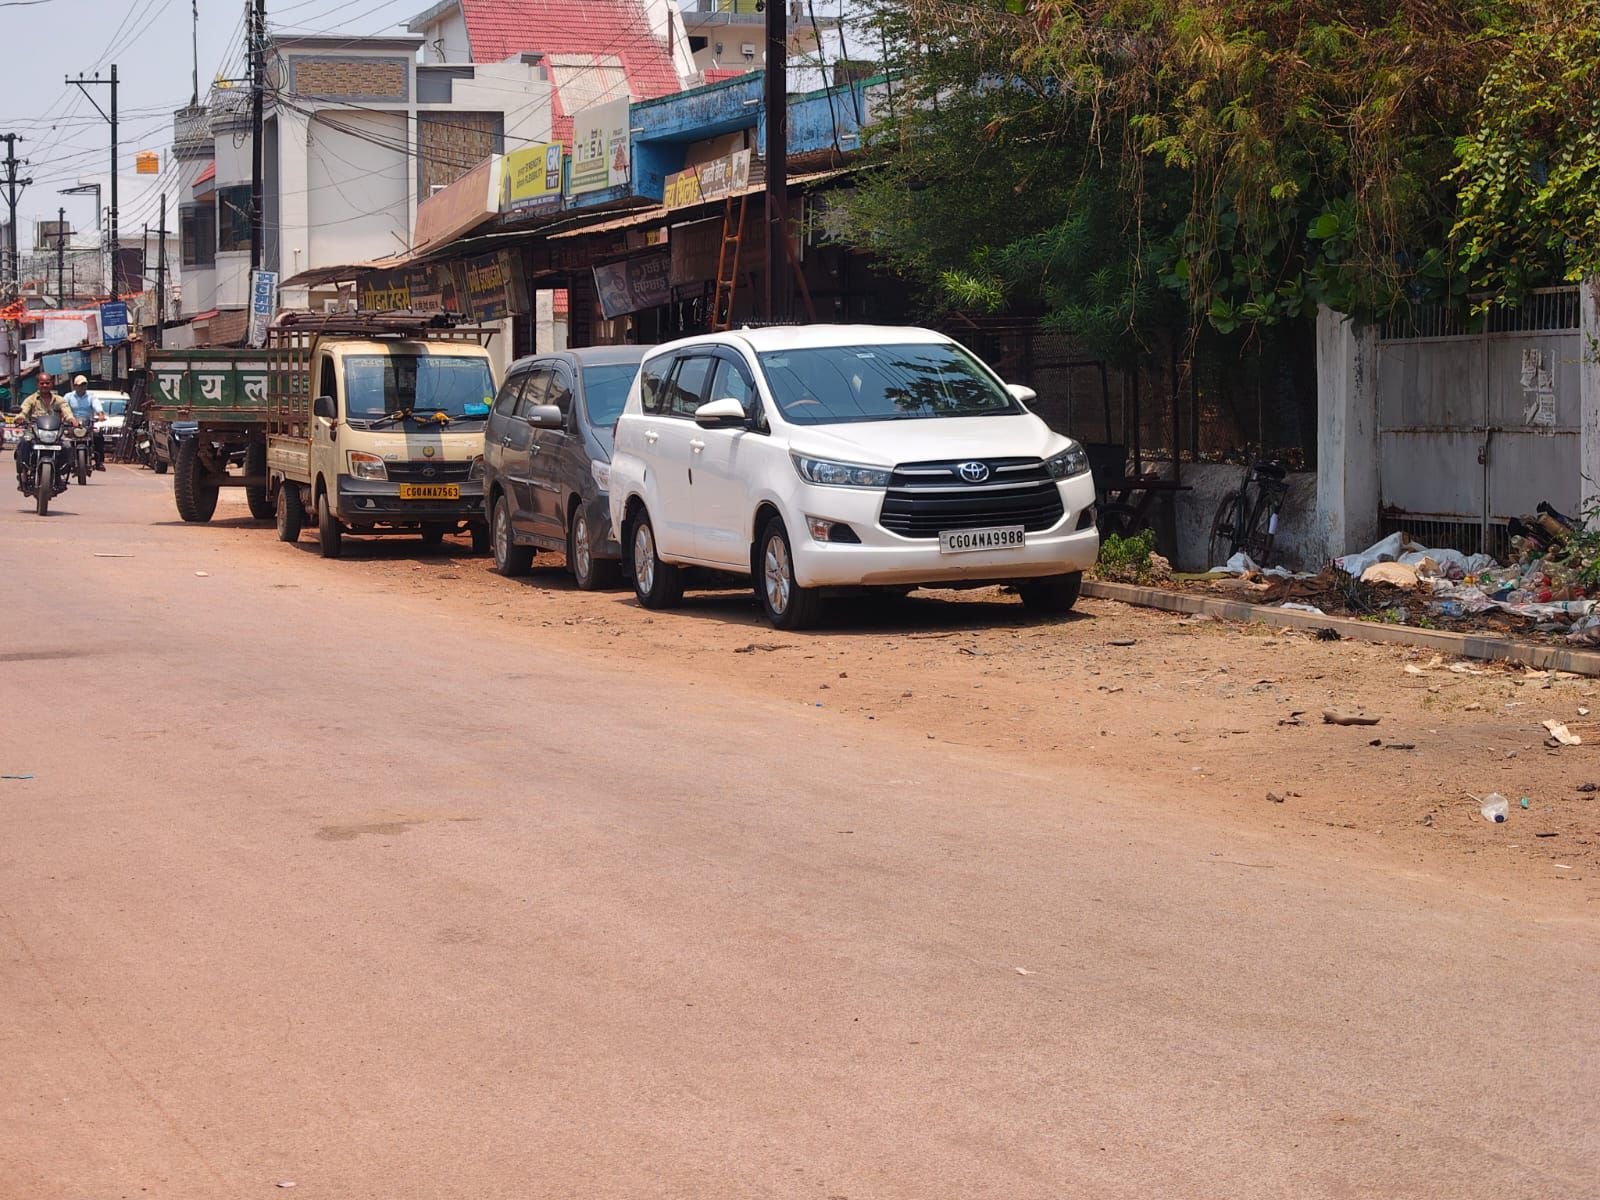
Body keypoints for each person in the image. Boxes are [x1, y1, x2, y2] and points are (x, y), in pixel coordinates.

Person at [15, 374, 80, 483]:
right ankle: (25, 471)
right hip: (34, 432)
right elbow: (23, 411)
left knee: (68, 446)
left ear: (52, 384)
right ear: (37, 384)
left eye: (47, 383)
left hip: (55, 433)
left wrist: (72, 420)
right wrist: (20, 418)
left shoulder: (59, 400)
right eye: (42, 383)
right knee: (24, 442)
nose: (45, 385)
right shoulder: (31, 399)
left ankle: (61, 472)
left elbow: (67, 412)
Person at [65, 374, 106, 469]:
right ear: (75, 386)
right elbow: (63, 407)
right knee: (64, 442)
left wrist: (100, 414)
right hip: (72, 426)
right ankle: (64, 463)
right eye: (80, 385)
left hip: (87, 426)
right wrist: (64, 417)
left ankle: (99, 462)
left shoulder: (91, 397)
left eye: (84, 385)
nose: (82, 387)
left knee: (98, 437)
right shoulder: (68, 396)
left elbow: (97, 406)